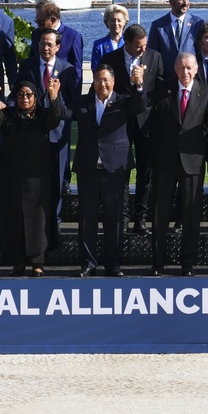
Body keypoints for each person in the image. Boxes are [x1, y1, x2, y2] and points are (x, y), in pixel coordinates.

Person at [73, 64, 149, 278]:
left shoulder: (124, 101)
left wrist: (139, 84)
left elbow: (140, 106)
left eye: (106, 80)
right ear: (93, 81)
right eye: (98, 80)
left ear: (113, 81)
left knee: (114, 219)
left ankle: (113, 264)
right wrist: (53, 96)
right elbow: (62, 112)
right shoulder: (83, 102)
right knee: (86, 220)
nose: (102, 84)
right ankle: (88, 263)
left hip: (114, 168)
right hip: (88, 168)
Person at [0, 75, 64, 276]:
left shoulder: (42, 116)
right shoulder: (8, 114)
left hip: (38, 179)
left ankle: (38, 262)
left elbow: (55, 119)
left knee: (38, 221)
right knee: (15, 220)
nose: (25, 98)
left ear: (35, 97)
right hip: (12, 178)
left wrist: (54, 97)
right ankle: (18, 262)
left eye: (29, 95)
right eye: (20, 95)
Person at [150, 53, 208, 277]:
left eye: (189, 68)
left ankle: (188, 262)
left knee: (191, 214)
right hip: (165, 160)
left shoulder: (206, 92)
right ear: (175, 69)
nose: (185, 72)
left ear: (196, 69)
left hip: (193, 161)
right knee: (160, 213)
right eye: (181, 68)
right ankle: (158, 261)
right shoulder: (162, 90)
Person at [99, 23, 163, 233]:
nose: (142, 50)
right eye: (138, 46)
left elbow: (160, 87)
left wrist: (142, 94)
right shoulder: (111, 60)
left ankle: (141, 218)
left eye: (144, 45)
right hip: (121, 122)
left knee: (146, 171)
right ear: (126, 43)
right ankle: (122, 217)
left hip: (147, 122)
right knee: (121, 170)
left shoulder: (154, 57)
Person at [23, 29, 81, 241]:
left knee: (57, 181)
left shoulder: (67, 70)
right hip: (33, 133)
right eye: (42, 44)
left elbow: (74, 102)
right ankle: (33, 223)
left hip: (58, 134)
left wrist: (60, 109)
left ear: (58, 47)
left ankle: (54, 225)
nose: (45, 48)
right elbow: (18, 95)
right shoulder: (27, 66)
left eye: (50, 44)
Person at [32, 0, 84, 84]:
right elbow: (32, 61)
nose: (38, 25)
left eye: (41, 22)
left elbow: (77, 70)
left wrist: (75, 95)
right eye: (37, 21)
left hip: (62, 89)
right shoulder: (36, 34)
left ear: (53, 20)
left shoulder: (73, 37)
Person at [147, 0, 201, 64]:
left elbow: (201, 51)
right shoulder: (158, 26)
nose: (186, 3)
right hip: (166, 75)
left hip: (190, 74)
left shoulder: (197, 23)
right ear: (171, 2)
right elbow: (153, 55)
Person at [90, 4, 130, 76]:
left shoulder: (129, 43)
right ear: (106, 22)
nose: (116, 23)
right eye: (112, 20)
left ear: (125, 23)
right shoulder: (99, 45)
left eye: (119, 20)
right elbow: (96, 70)